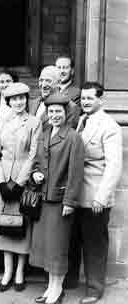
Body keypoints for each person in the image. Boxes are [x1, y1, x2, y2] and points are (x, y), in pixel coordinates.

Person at [67, 82, 122, 304]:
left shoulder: (109, 126)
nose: (86, 102)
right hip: (76, 193)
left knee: (94, 244)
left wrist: (101, 196)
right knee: (72, 240)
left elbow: (114, 165)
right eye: (84, 98)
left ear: (101, 99)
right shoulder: (81, 120)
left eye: (90, 98)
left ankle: (94, 289)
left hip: (95, 196)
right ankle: (69, 281)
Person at [30, 93, 84, 304]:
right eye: (51, 111)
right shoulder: (44, 134)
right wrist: (35, 173)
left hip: (59, 200)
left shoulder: (73, 138)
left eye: (58, 112)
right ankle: (50, 288)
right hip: (43, 198)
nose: (54, 115)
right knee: (47, 247)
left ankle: (57, 289)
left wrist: (69, 201)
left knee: (58, 248)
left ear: (66, 113)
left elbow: (75, 172)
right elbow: (36, 161)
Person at [0, 82, 41, 292]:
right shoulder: (1, 122)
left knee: (21, 226)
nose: (19, 102)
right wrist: (1, 181)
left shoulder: (33, 122)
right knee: (4, 225)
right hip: (3, 178)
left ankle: (20, 271)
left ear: (26, 100)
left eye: (22, 98)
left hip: (23, 179)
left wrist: (20, 183)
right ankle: (7, 271)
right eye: (14, 99)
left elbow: (33, 154)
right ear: (8, 101)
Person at [29, 65, 80, 130]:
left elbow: (66, 136)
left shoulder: (71, 108)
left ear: (58, 83)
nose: (43, 85)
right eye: (41, 80)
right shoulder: (32, 103)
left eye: (48, 81)